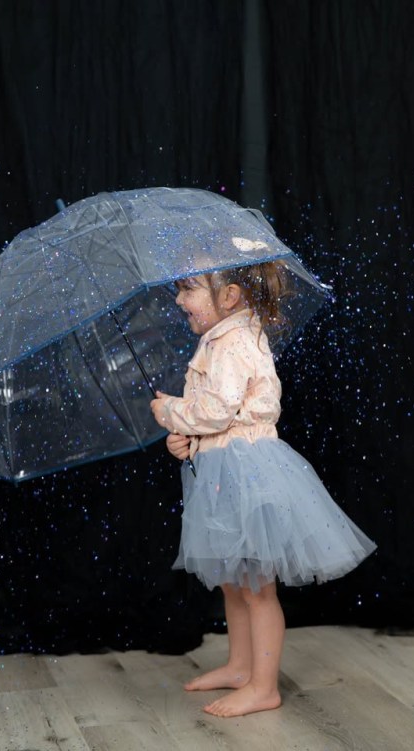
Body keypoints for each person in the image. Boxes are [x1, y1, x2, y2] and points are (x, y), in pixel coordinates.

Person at [150, 262, 376, 718]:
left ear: (229, 296)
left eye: (189, 289)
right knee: (234, 583)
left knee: (256, 588)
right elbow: (213, 414)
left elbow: (216, 411)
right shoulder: (218, 338)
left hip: (246, 475)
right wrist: (185, 440)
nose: (179, 300)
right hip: (221, 471)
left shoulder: (235, 342)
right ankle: (241, 667)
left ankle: (264, 686)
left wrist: (170, 412)